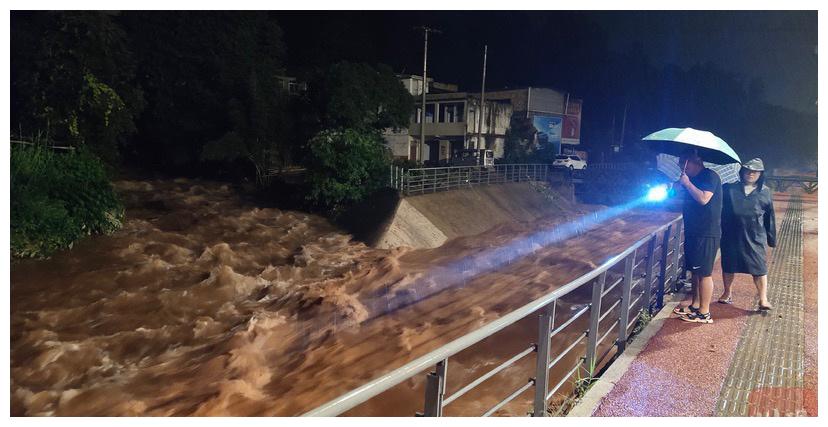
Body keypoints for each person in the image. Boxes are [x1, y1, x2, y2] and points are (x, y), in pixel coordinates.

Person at [671, 149, 723, 324]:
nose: (682, 168)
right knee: (694, 270)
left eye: (684, 164)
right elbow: (678, 197)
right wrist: (677, 186)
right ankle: (695, 305)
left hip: (706, 232)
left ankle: (705, 313)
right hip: (693, 230)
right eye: (680, 165)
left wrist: (687, 184)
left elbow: (703, 199)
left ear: (695, 162)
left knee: (704, 273)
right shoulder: (690, 178)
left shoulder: (710, 176)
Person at [717, 158, 776, 310]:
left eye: (755, 171)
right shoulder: (729, 189)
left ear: (760, 174)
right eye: (748, 170)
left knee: (759, 268)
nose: (751, 174)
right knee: (728, 264)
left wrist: (771, 239)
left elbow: (770, 216)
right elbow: (716, 205)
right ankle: (727, 292)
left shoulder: (765, 192)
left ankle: (763, 299)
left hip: (755, 236)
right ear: (742, 171)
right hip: (731, 234)